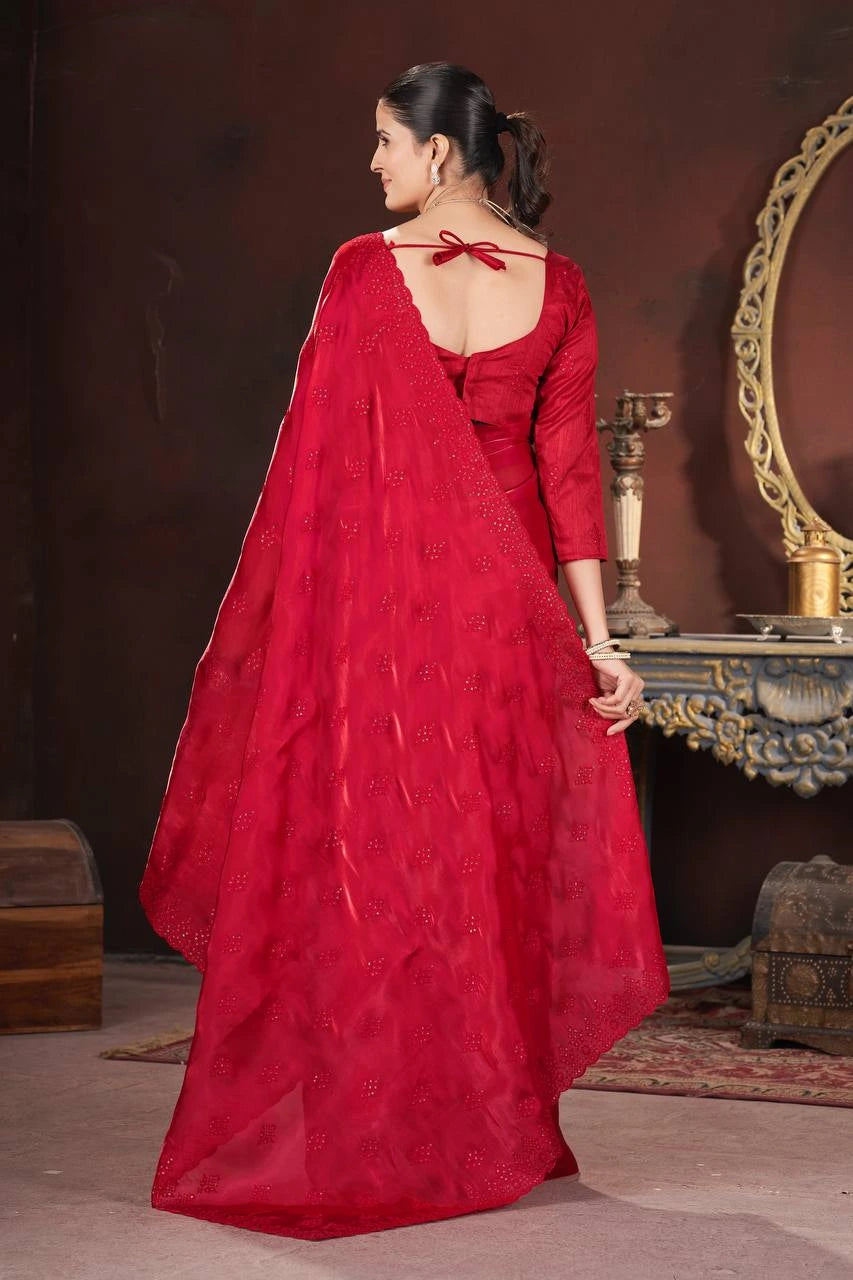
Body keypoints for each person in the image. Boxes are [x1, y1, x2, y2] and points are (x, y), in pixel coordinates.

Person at [139, 61, 670, 1241]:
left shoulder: (359, 273)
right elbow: (569, 480)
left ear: (439, 154)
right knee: (481, 860)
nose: (372, 164)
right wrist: (599, 647)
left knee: (380, 859)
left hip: (383, 617)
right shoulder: (563, 282)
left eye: (384, 141)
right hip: (512, 617)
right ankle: (480, 1115)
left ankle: (390, 1119)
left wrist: (298, 635)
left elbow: (312, 481)